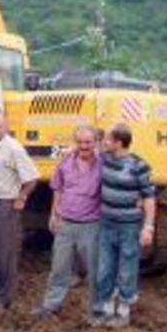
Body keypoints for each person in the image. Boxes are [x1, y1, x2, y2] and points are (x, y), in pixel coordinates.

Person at [32, 125, 102, 319]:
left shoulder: (103, 164)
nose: (84, 146)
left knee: (95, 270)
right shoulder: (65, 162)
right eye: (80, 142)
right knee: (59, 268)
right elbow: (58, 189)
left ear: (95, 143)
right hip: (65, 224)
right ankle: (51, 306)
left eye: (88, 142)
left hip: (91, 225)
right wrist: (53, 215)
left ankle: (98, 308)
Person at [93, 123, 157, 328]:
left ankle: (123, 311)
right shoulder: (104, 158)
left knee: (126, 269)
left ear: (119, 143)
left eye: (108, 140)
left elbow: (149, 197)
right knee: (104, 268)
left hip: (129, 226)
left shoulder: (139, 166)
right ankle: (105, 308)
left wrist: (148, 227)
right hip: (106, 223)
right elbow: (87, 142)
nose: (105, 143)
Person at [0, 113, 39, 309]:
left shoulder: (14, 149)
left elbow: (32, 178)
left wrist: (22, 197)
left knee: (6, 251)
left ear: (5, 128)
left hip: (6, 205)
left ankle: (6, 297)